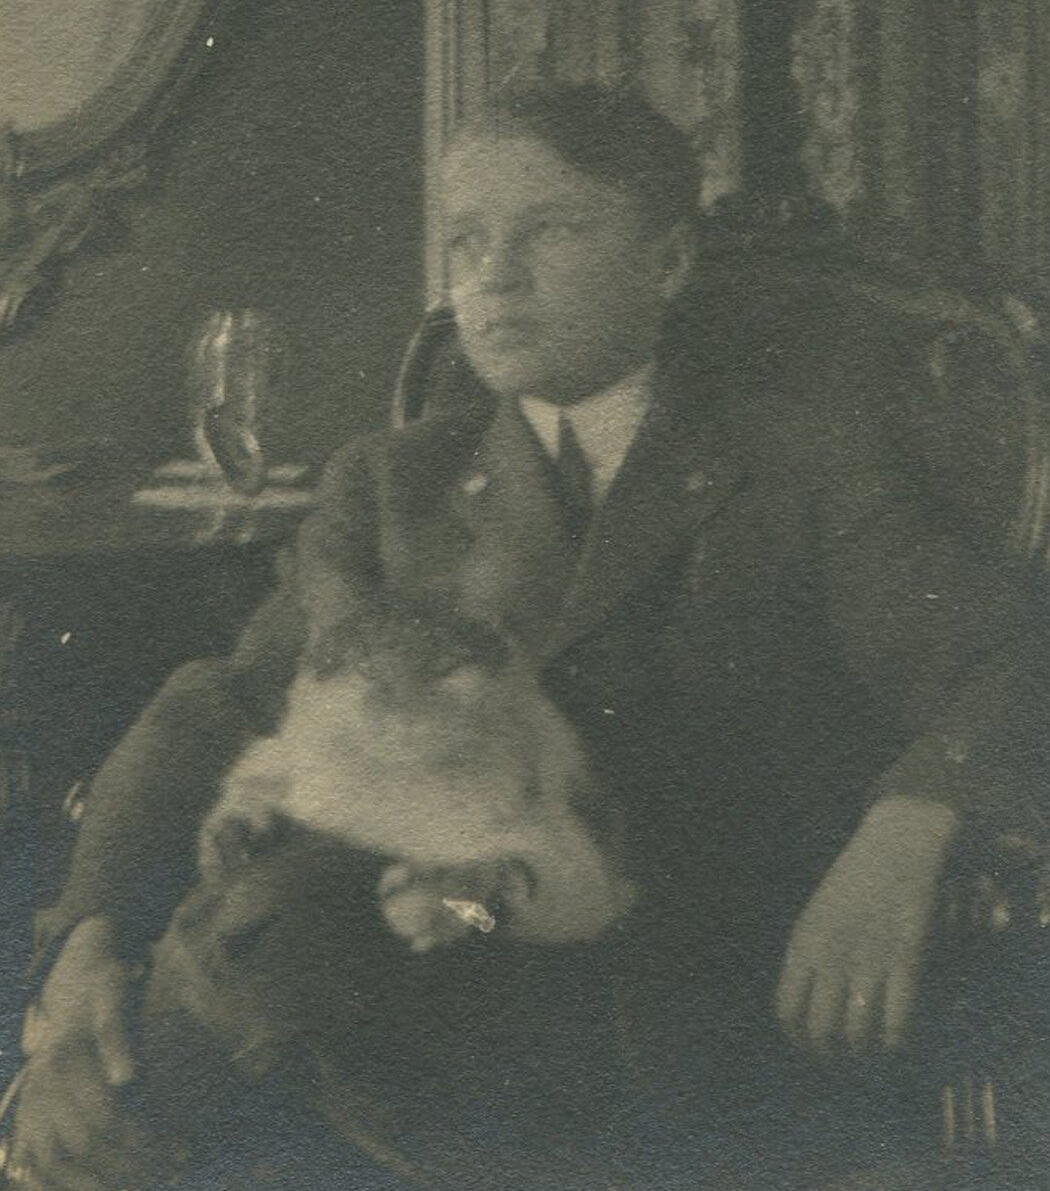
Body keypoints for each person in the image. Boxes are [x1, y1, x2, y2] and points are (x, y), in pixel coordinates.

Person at [8, 83, 1050, 1189]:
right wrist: (85, 941)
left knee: (259, 963)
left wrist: (903, 832)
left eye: (550, 230)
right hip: (405, 969)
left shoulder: (802, 462)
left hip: (685, 978)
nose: (493, 277)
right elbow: (225, 705)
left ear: (668, 263)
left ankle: (110, 1122)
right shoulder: (397, 480)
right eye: (466, 240)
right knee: (201, 989)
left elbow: (1006, 660)